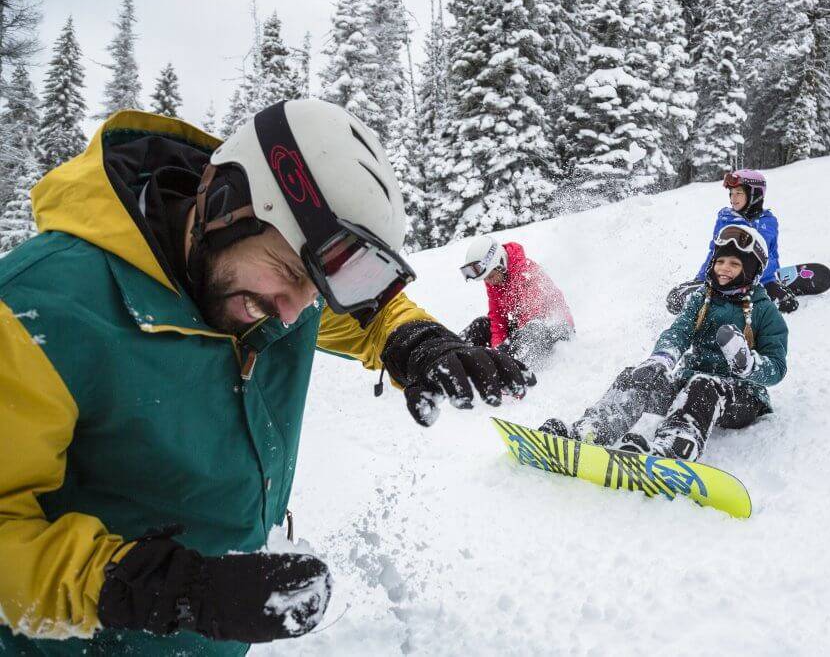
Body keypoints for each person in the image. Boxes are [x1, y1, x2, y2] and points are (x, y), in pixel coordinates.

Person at [0, 100, 534, 655]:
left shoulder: (262, 284)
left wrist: (413, 340)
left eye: (314, 293)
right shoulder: (38, 312)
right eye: (287, 274)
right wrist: (167, 590)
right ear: (226, 203)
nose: (290, 313)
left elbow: (353, 313)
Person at [542, 225, 787, 462]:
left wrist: (749, 365)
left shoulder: (765, 312)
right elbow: (678, 332)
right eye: (721, 261)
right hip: (691, 383)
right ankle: (591, 430)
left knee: (702, 385)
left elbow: (776, 369)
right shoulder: (702, 298)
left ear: (752, 270)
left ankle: (675, 447)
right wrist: (660, 359)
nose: (724, 268)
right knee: (638, 376)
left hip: (742, 397)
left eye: (735, 264)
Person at [666, 169, 799, 315]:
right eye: (731, 193)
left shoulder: (767, 222)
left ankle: (773, 286)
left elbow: (765, 256)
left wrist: (770, 281)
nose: (733, 198)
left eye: (739, 193)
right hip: (724, 279)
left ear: (755, 194)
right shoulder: (725, 219)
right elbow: (714, 253)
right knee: (675, 300)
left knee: (788, 304)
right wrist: (701, 278)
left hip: (760, 281)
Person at [459, 236, 574, 366]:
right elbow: (497, 318)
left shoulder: (526, 272)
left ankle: (514, 368)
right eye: (485, 279)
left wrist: (501, 355)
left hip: (552, 327)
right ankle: (458, 357)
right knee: (481, 325)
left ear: (500, 264)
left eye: (490, 276)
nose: (488, 282)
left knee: (531, 331)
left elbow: (531, 317)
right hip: (523, 326)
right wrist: (497, 346)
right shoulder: (495, 279)